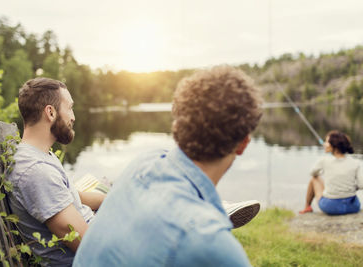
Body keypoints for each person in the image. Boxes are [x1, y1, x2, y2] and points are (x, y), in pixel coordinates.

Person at [74, 65, 263, 267]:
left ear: (177, 126)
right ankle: (211, 209)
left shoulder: (142, 163)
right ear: (243, 144)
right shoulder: (217, 246)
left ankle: (208, 207)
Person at [6, 78, 105, 266]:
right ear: (50, 112)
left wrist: (113, 199)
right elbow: (90, 249)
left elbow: (72, 196)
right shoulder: (35, 172)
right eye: (70, 108)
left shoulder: (40, 155)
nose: (73, 117)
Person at [299, 130, 363, 215]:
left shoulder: (324, 161)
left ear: (334, 146)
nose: (324, 144)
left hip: (331, 207)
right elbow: (361, 185)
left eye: (327, 142)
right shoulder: (355, 162)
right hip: (352, 207)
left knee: (314, 179)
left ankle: (307, 207)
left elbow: (312, 173)